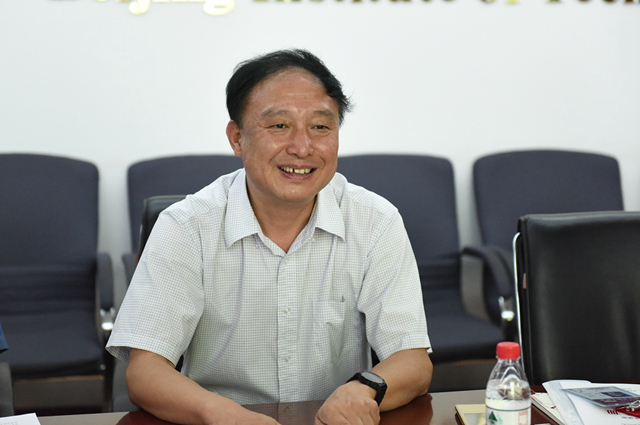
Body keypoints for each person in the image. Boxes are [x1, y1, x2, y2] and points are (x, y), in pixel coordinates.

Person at [107, 49, 433, 425]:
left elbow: (413, 359)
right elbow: (145, 372)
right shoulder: (186, 227)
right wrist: (222, 414)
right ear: (237, 138)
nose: (302, 147)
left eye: (320, 127)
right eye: (279, 126)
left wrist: (363, 390)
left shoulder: (375, 221)